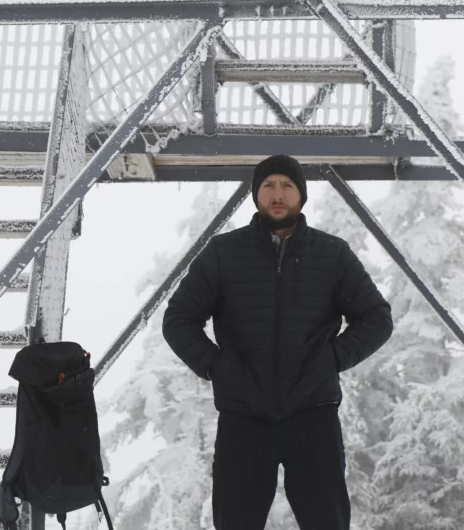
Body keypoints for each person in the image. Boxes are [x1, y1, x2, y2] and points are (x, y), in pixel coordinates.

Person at [162, 154, 393, 530]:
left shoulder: (332, 254)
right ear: (256, 195)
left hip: (313, 416)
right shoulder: (224, 253)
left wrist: (331, 359)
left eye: (287, 185)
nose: (277, 194)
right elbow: (178, 320)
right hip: (243, 420)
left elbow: (377, 317)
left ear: (301, 195)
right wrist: (217, 367)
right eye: (268, 185)